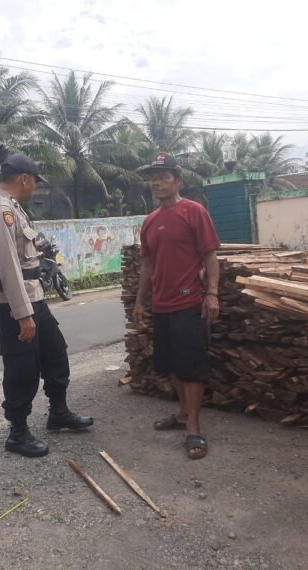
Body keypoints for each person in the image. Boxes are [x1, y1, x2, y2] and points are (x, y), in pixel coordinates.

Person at [0, 153, 93, 457]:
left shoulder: (14, 208)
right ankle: (17, 433)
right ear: (24, 179)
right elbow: (8, 268)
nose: (34, 189)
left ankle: (58, 413)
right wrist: (23, 315)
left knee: (55, 353)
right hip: (12, 305)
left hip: (33, 297)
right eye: (34, 182)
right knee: (22, 368)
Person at [132, 153, 221, 460]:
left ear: (178, 181)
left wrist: (212, 294)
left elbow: (210, 256)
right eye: (154, 177)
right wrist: (140, 303)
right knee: (171, 366)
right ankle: (183, 414)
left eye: (164, 176)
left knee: (191, 368)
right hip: (161, 305)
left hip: (188, 302)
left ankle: (194, 428)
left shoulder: (193, 212)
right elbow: (146, 265)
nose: (157, 182)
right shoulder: (150, 221)